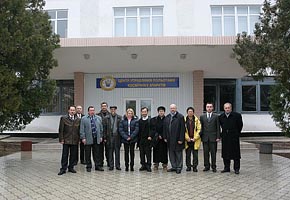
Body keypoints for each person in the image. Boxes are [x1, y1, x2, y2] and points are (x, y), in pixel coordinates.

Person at [219, 102, 243, 174]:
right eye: (226, 108)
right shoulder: (221, 116)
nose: (227, 109)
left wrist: (236, 134)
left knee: (236, 154)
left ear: (231, 108)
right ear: (224, 109)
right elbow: (221, 126)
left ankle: (236, 168)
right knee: (225, 153)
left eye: (228, 108)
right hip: (225, 138)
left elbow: (240, 126)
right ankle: (226, 168)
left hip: (234, 138)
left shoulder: (237, 116)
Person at [58, 105, 81, 175]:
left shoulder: (78, 119)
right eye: (71, 110)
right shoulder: (64, 118)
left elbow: (79, 130)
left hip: (75, 140)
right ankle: (63, 169)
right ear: (68, 110)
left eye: (73, 110)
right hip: (66, 140)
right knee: (65, 155)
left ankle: (71, 167)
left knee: (73, 155)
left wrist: (79, 139)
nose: (72, 111)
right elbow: (61, 130)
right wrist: (61, 139)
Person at [80, 106, 103, 172]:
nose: (92, 112)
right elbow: (82, 129)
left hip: (96, 138)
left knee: (96, 153)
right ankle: (88, 166)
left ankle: (97, 166)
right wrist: (83, 138)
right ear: (88, 111)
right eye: (91, 110)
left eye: (93, 110)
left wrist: (101, 136)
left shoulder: (98, 118)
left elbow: (101, 128)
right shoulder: (84, 119)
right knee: (87, 153)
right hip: (88, 138)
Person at [163, 104, 185, 174]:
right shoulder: (167, 117)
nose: (172, 110)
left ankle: (179, 167)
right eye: (171, 108)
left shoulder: (180, 117)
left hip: (177, 139)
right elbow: (165, 128)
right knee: (171, 154)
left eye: (174, 108)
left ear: (176, 109)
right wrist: (165, 137)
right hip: (169, 140)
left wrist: (181, 139)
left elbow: (182, 129)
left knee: (178, 153)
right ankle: (174, 166)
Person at [200, 102, 220, 172]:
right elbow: (201, 127)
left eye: (210, 107)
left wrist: (218, 137)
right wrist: (200, 136)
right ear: (205, 108)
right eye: (208, 107)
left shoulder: (216, 116)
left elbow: (218, 127)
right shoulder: (202, 116)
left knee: (213, 153)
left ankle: (214, 166)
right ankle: (206, 166)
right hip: (205, 138)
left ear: (212, 108)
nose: (209, 108)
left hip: (213, 138)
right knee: (205, 153)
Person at [103, 106, 122, 170]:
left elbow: (121, 128)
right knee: (110, 152)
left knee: (117, 152)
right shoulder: (106, 118)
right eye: (111, 109)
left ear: (116, 110)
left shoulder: (119, 117)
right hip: (109, 137)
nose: (113, 110)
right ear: (110, 110)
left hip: (117, 137)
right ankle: (111, 166)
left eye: (114, 109)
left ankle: (117, 165)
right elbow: (104, 129)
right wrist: (105, 137)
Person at [184, 107, 201, 172]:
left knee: (195, 155)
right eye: (189, 111)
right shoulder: (184, 120)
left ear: (193, 112)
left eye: (191, 111)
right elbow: (183, 130)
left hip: (195, 140)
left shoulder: (197, 120)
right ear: (187, 112)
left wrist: (195, 138)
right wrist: (187, 138)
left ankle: (194, 167)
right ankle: (188, 166)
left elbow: (199, 130)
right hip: (187, 140)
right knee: (187, 155)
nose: (190, 113)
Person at [151, 106, 168, 170]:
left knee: (164, 151)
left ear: (164, 112)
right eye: (160, 111)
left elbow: (167, 129)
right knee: (156, 151)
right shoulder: (154, 119)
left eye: (162, 111)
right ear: (158, 112)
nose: (161, 112)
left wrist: (163, 136)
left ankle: (165, 164)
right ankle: (156, 164)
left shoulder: (167, 119)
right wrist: (158, 135)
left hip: (164, 139)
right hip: (156, 138)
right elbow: (153, 129)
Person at [138, 107, 153, 172]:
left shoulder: (150, 120)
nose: (144, 113)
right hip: (141, 140)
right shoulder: (139, 121)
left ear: (147, 112)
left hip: (148, 140)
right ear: (141, 113)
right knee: (142, 154)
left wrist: (150, 136)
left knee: (148, 153)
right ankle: (143, 165)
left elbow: (153, 129)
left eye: (145, 112)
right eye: (143, 112)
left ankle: (148, 165)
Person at [97, 102, 110, 168]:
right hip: (100, 136)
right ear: (101, 107)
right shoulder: (97, 115)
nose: (104, 107)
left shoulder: (110, 115)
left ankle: (109, 162)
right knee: (100, 150)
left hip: (108, 136)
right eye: (102, 106)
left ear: (107, 107)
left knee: (108, 150)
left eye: (105, 106)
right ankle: (100, 163)